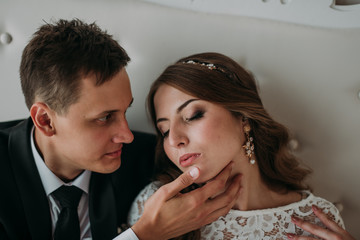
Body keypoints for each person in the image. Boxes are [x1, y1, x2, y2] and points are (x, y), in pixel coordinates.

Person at [0, 20, 242, 240]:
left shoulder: (148, 160)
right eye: (105, 118)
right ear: (45, 121)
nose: (127, 135)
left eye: (125, 111)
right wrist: (144, 234)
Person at [128, 52, 353, 239]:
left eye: (193, 115)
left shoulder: (316, 218)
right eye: (164, 131)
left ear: (243, 117)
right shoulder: (155, 207)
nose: (174, 139)